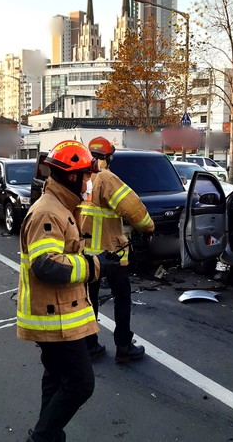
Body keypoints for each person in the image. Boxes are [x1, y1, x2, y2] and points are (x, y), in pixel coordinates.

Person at [18, 140, 119, 442]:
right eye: (87, 176)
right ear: (73, 177)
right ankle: (43, 437)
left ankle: (45, 433)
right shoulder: (49, 213)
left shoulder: (61, 206)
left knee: (56, 378)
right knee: (79, 383)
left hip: (58, 314)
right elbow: (47, 266)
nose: (90, 182)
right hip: (54, 318)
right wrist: (94, 266)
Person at [76, 137, 154, 363]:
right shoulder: (107, 178)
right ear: (108, 157)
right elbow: (134, 209)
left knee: (89, 299)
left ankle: (90, 345)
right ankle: (123, 346)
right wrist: (148, 227)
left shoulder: (82, 178)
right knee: (122, 296)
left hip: (84, 252)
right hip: (110, 252)